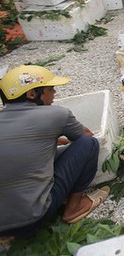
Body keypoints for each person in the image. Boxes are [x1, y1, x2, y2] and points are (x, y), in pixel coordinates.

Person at [0, 66, 107, 238]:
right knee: (89, 144)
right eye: (50, 89)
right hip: (33, 218)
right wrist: (65, 137)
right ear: (32, 94)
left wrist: (56, 139)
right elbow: (86, 136)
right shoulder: (56, 114)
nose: (55, 92)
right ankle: (73, 209)